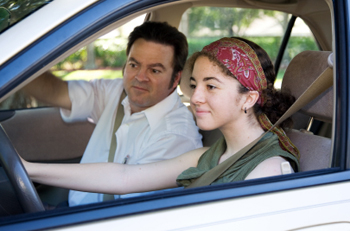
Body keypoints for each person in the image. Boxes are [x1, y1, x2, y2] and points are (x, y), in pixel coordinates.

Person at [21, 37, 300, 197]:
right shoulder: (206, 156)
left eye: (211, 86)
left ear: (248, 99)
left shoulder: (268, 170)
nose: (196, 96)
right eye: (195, 84)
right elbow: (124, 177)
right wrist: (29, 168)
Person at [22, 21, 203, 206]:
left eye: (154, 70)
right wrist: (15, 61)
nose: (140, 77)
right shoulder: (116, 92)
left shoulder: (176, 136)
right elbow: (57, 92)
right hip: (74, 208)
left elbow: (129, 206)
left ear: (176, 79)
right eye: (134, 65)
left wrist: (29, 169)